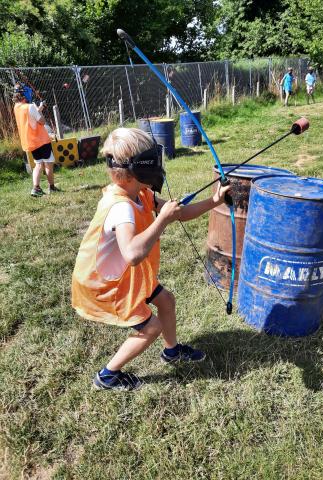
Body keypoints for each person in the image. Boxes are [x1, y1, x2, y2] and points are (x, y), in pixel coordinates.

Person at [72, 127, 231, 391]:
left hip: (128, 276)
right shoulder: (121, 206)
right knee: (150, 328)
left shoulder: (141, 193)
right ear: (140, 169)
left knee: (166, 300)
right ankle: (108, 375)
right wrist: (162, 220)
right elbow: (133, 254)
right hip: (109, 286)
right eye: (153, 160)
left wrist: (214, 201)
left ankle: (172, 351)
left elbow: (180, 213)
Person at [13, 86, 59, 197]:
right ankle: (51, 187)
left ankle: (36, 188)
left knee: (38, 164)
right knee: (48, 164)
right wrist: (40, 109)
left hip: (30, 142)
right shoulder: (30, 107)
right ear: (25, 96)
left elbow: (31, 117)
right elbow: (41, 121)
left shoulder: (17, 108)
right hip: (41, 140)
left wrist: (39, 108)